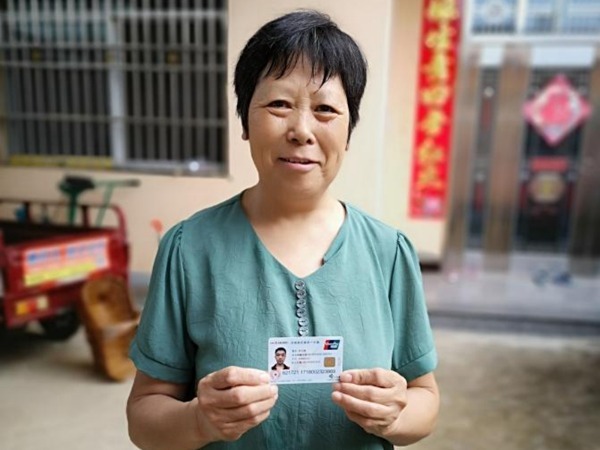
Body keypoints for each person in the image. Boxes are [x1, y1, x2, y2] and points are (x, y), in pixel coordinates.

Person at [126, 9, 439, 450]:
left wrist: (395, 414)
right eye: (279, 105)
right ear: (244, 119)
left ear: (349, 130)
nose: (301, 131)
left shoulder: (388, 252)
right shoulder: (188, 248)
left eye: (326, 109)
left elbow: (425, 399)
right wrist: (199, 420)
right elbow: (144, 418)